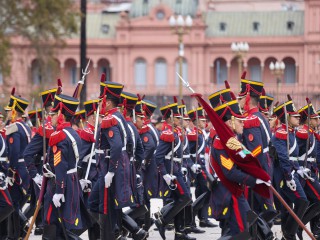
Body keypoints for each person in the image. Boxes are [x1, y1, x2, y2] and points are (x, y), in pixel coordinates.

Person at [43, 89, 88, 239]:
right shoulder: (75, 133)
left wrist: (59, 191)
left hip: (61, 183)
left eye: (53, 114)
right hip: (72, 180)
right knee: (65, 222)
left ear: (60, 114)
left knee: (54, 221)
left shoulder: (59, 136)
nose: (51, 117)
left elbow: (60, 165)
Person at [154, 102, 194, 240]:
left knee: (180, 199)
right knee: (186, 197)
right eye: (178, 118)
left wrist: (182, 166)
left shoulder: (176, 132)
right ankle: (163, 220)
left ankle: (180, 232)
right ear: (171, 119)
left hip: (176, 168)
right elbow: (158, 157)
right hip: (171, 171)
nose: (181, 121)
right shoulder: (168, 134)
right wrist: (165, 175)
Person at [272, 98, 309, 240]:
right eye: (295, 116)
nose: (299, 118)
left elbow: (292, 157)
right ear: (287, 117)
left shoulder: (290, 132)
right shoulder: (282, 133)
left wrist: (299, 169)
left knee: (288, 206)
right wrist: (288, 176)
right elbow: (283, 157)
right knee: (302, 201)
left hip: (292, 172)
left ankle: (287, 234)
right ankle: (289, 232)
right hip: (284, 174)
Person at [5, 88, 31, 239]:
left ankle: (15, 234)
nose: (8, 113)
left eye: (10, 110)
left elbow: (13, 153)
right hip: (25, 170)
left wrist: (10, 171)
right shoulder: (25, 126)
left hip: (17, 172)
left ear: (14, 111)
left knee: (13, 206)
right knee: (17, 204)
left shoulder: (14, 128)